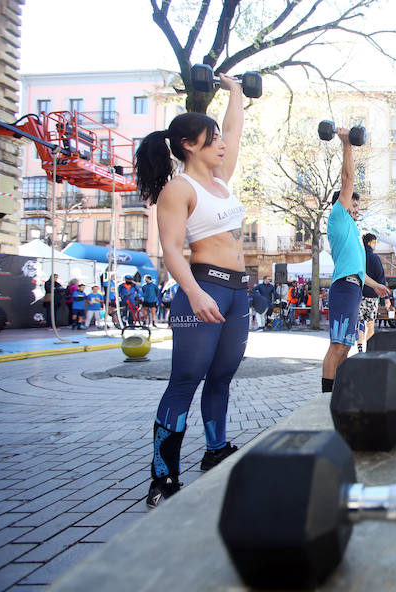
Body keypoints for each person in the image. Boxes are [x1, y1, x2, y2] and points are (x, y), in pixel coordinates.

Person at [135, 73, 248, 509]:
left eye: (220, 138)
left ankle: (215, 449)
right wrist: (194, 293)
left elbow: (235, 130)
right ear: (188, 144)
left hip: (237, 291)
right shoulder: (178, 188)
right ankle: (162, 476)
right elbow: (170, 249)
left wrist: (235, 92)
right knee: (185, 381)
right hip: (203, 288)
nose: (222, 143)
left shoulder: (221, 180)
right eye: (212, 138)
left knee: (221, 377)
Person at [322, 128, 389, 393]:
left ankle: (338, 392)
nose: (357, 209)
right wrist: (347, 144)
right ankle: (325, 397)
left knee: (347, 345)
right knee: (337, 345)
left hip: (355, 287)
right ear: (343, 204)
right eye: (355, 205)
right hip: (342, 288)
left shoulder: (356, 235)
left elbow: (360, 270)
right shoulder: (338, 217)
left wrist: (377, 286)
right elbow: (348, 179)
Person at [357, 233, 391, 352]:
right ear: (370, 243)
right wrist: (386, 298)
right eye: (375, 242)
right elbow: (380, 278)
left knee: (359, 322)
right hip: (372, 295)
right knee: (370, 324)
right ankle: (369, 348)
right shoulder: (374, 257)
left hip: (358, 295)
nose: (375, 245)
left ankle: (359, 346)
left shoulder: (358, 256)